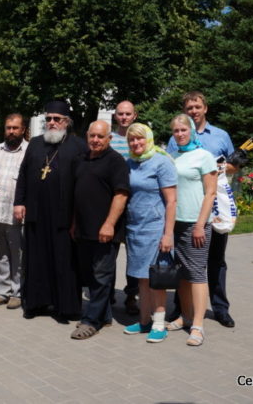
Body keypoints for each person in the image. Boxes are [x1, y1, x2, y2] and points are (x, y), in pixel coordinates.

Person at [166, 91, 236, 328]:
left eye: (197, 107)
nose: (193, 111)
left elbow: (233, 165)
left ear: (205, 108)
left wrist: (228, 166)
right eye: (189, 108)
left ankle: (219, 308)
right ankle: (181, 309)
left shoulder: (220, 136)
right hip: (185, 211)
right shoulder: (175, 139)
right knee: (185, 262)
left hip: (214, 207)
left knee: (216, 259)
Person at [14, 100, 86, 322]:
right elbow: (24, 174)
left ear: (67, 122)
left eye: (57, 119)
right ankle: (35, 303)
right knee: (35, 258)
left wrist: (78, 216)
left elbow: (83, 182)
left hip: (64, 215)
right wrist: (19, 202)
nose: (52, 122)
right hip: (36, 212)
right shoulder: (35, 144)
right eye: (48, 119)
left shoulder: (78, 146)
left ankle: (65, 306)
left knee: (64, 260)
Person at [70, 121, 129, 340]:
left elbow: (121, 194)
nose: (95, 140)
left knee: (101, 276)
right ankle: (104, 315)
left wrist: (109, 224)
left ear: (109, 139)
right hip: (83, 230)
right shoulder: (82, 159)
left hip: (105, 230)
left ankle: (91, 321)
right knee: (93, 276)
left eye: (100, 137)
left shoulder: (115, 161)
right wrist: (75, 222)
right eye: (92, 136)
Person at [122, 123, 177, 343]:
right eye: (132, 140)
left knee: (156, 278)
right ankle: (144, 321)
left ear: (149, 139)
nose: (136, 143)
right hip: (135, 229)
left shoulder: (161, 162)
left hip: (155, 228)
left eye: (140, 139)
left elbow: (172, 201)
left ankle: (159, 323)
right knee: (141, 279)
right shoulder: (130, 164)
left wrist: (168, 234)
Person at [167, 114, 217, 346]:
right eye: (176, 131)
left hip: (195, 224)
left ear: (191, 131)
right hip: (174, 223)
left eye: (183, 130)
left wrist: (200, 224)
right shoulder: (172, 155)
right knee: (182, 274)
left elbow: (211, 192)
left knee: (196, 274)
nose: (179, 134)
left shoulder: (204, 156)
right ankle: (185, 316)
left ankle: (198, 325)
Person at [0, 114, 28, 310]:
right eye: (8, 127)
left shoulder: (29, 151)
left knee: (17, 254)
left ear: (23, 129)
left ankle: (18, 293)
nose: (11, 131)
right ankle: (2, 292)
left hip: (17, 212)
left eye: (15, 128)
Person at [109, 100, 140, 315]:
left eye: (128, 114)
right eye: (120, 114)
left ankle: (132, 295)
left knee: (135, 254)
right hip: (111, 204)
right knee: (108, 253)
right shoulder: (109, 140)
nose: (124, 118)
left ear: (134, 115)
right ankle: (106, 292)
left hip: (135, 205)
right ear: (115, 116)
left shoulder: (141, 139)